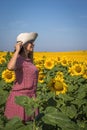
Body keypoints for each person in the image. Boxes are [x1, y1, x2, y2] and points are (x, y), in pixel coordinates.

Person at [4, 32, 39, 123]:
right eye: (31, 42)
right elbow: (10, 67)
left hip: (31, 97)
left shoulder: (28, 60)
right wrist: (17, 50)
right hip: (20, 98)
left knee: (30, 125)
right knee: (19, 125)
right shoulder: (19, 59)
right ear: (24, 45)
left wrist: (29, 53)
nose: (33, 44)